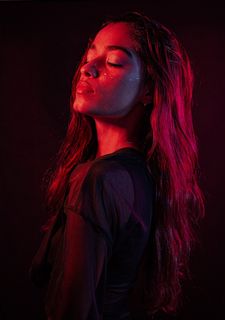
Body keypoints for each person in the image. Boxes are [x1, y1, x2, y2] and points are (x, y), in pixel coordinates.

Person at [29, 11, 205, 320]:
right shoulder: (141, 178)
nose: (88, 68)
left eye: (113, 62)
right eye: (89, 55)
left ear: (149, 91)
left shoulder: (99, 180)